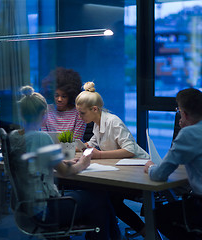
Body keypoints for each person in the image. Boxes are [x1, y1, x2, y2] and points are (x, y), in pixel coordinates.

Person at [9, 85, 120, 240]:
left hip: (23, 209)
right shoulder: (41, 138)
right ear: (44, 114)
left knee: (96, 201)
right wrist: (82, 163)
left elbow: (34, 163)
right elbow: (65, 172)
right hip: (43, 210)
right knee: (100, 198)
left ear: (20, 113)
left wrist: (62, 161)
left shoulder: (13, 137)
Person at [144, 88, 202, 240]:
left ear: (184, 113)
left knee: (156, 216)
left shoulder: (188, 133)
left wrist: (151, 167)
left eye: (179, 110)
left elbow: (159, 175)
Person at [75, 81, 149, 237]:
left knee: (107, 200)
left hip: (138, 170)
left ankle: (144, 230)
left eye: (82, 113)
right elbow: (93, 143)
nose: (80, 117)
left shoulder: (113, 122)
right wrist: (77, 147)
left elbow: (129, 150)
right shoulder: (97, 122)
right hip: (122, 170)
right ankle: (115, 233)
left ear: (94, 109)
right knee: (103, 197)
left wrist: (99, 155)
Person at [41, 67, 86, 140]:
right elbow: (44, 139)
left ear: (70, 96)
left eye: (64, 96)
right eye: (56, 95)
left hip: (73, 150)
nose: (59, 99)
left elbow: (77, 140)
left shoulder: (78, 113)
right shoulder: (45, 111)